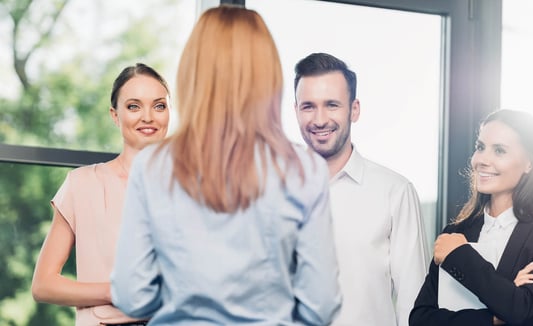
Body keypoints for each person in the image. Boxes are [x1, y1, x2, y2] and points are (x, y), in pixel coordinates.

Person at [110, 5, 342, 326]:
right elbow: (321, 306)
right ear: (268, 74)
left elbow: (131, 295)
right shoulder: (304, 169)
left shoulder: (153, 165)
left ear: (193, 71)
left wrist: (185, 295)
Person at [293, 52, 429, 326]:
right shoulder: (270, 191)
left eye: (332, 105)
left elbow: (413, 303)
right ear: (295, 110)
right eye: (308, 106)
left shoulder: (395, 192)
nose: (319, 120)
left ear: (354, 109)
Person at [409, 109, 533, 326]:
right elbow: (420, 319)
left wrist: (460, 255)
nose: (481, 160)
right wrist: (494, 317)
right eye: (480, 147)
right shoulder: (454, 233)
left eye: (499, 151)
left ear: (530, 163)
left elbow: (524, 310)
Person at [31, 63, 171, 326]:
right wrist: (113, 292)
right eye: (133, 106)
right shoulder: (81, 184)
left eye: (159, 105)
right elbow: (43, 285)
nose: (148, 117)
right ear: (115, 115)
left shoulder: (193, 188)